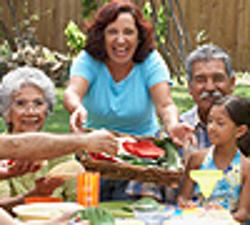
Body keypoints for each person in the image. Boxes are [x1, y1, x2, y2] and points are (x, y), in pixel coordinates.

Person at [64, 0, 194, 201]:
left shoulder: (151, 61)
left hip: (143, 159)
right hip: (95, 153)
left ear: (139, 36)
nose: (121, 40)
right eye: (112, 32)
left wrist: (173, 125)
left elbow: (165, 104)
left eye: (128, 32)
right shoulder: (88, 59)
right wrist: (77, 108)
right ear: (102, 35)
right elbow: (72, 92)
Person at [0, 66, 77, 211]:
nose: (31, 112)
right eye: (21, 103)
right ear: (6, 112)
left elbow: (81, 203)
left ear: (47, 110)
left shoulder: (60, 152)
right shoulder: (2, 151)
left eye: (38, 103)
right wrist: (37, 195)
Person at [178, 96, 250, 224]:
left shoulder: (246, 168)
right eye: (210, 121)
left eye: (220, 123)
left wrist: (217, 218)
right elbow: (183, 198)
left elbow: (243, 213)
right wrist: (187, 205)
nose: (211, 127)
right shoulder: (197, 160)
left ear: (240, 131)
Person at [181, 44, 238, 158]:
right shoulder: (179, 130)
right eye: (200, 80)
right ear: (190, 87)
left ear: (232, 83)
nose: (210, 87)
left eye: (218, 78)